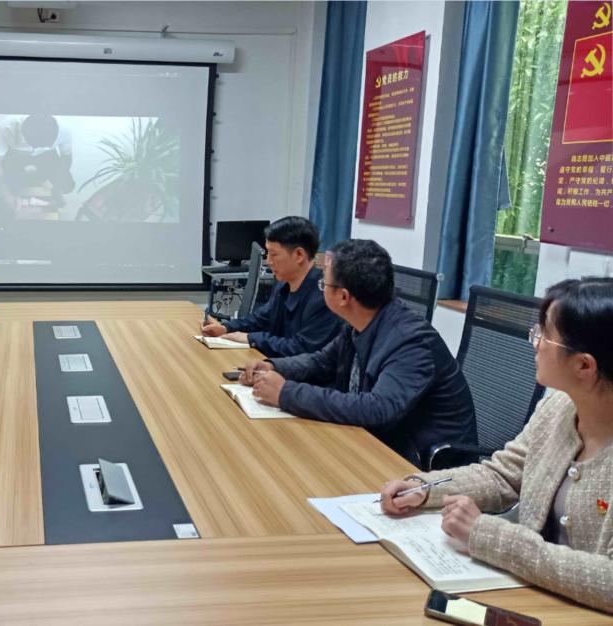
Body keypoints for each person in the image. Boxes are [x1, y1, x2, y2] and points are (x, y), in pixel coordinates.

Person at [380, 277, 613, 613]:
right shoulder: (558, 408)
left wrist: (489, 535)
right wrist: (425, 489)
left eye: (544, 335)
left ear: (584, 365)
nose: (534, 342)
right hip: (530, 596)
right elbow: (503, 475)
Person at [239, 239, 476, 466]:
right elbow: (321, 362)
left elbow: (377, 409)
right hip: (372, 443)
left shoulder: (412, 342)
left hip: (420, 466)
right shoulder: (360, 322)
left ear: (343, 296)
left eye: (324, 284)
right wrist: (273, 366)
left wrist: (286, 393)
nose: (321, 287)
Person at [201, 216, 341, 357]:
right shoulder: (283, 283)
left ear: (299, 255)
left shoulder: (324, 297)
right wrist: (226, 328)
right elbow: (261, 318)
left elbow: (301, 348)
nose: (268, 261)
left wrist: (251, 338)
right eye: (267, 253)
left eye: (274, 254)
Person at [0, 114, 74, 214]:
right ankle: (29, 178)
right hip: (16, 154)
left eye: (45, 145)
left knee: (67, 185)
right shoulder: (5, 129)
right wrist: (6, 195)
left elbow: (66, 158)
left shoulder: (64, 130)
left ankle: (34, 177)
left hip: (46, 155)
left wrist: (58, 187)